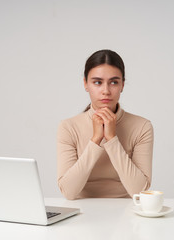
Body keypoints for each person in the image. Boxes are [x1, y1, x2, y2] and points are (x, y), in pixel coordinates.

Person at [57, 49, 154, 200]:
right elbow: (68, 192)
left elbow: (139, 191)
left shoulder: (142, 127)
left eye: (114, 82)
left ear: (122, 85)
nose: (106, 91)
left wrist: (111, 139)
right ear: (85, 84)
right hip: (82, 210)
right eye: (97, 82)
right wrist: (95, 139)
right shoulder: (68, 127)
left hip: (127, 211)